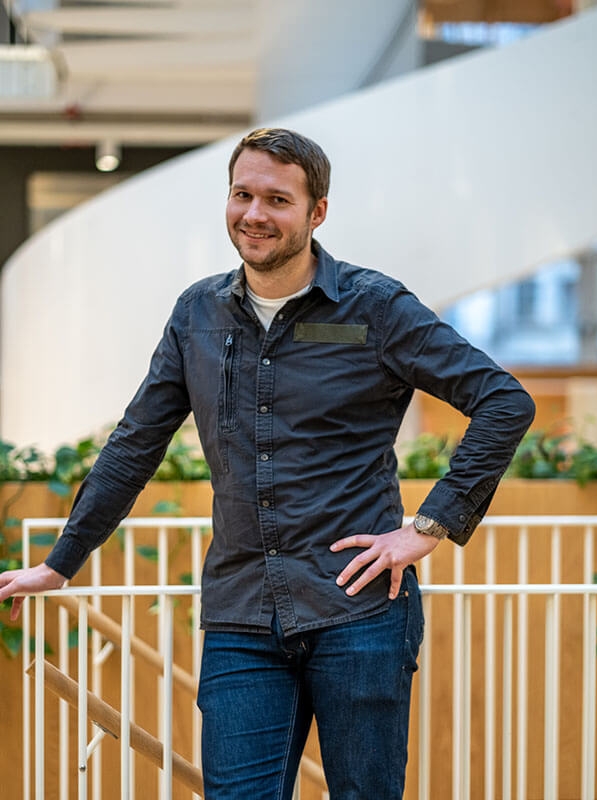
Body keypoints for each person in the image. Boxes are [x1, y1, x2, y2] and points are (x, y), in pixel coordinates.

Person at [0, 127, 535, 799]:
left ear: (317, 212)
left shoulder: (374, 307)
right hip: (242, 617)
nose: (254, 214)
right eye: (242, 195)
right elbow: (135, 442)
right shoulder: (197, 314)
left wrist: (428, 527)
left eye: (277, 200)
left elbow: (503, 401)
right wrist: (60, 562)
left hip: (358, 609)